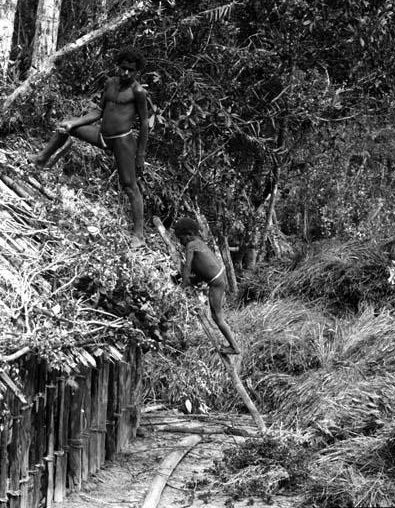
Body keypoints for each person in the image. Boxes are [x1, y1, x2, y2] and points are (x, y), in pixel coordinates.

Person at [29, 48, 148, 249]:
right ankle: (41, 159)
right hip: (102, 135)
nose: (126, 73)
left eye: (131, 70)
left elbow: (145, 123)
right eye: (123, 68)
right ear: (118, 66)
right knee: (63, 128)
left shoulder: (138, 91)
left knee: (129, 185)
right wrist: (74, 122)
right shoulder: (110, 83)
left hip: (123, 141)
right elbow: (98, 111)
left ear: (137, 72)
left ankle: (139, 235)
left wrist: (141, 155)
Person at [174, 217, 240, 355]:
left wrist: (184, 284)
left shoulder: (191, 245)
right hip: (215, 277)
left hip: (216, 282)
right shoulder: (199, 242)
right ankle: (233, 346)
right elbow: (199, 267)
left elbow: (188, 266)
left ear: (189, 235)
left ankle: (234, 347)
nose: (181, 242)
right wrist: (185, 279)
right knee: (182, 277)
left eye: (181, 239)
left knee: (217, 317)